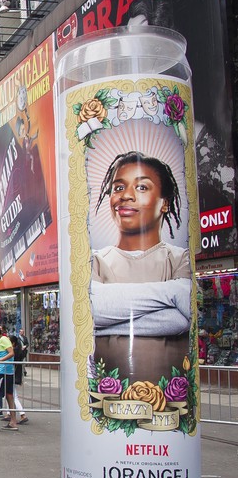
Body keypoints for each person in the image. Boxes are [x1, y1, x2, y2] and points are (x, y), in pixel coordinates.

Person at [90, 151, 191, 385]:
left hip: (170, 403)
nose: (126, 196)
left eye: (142, 188)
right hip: (109, 401)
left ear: (164, 203)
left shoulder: (179, 258)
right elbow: (92, 310)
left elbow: (184, 320)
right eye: (118, 188)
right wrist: (172, 293)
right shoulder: (96, 260)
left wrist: (108, 326)